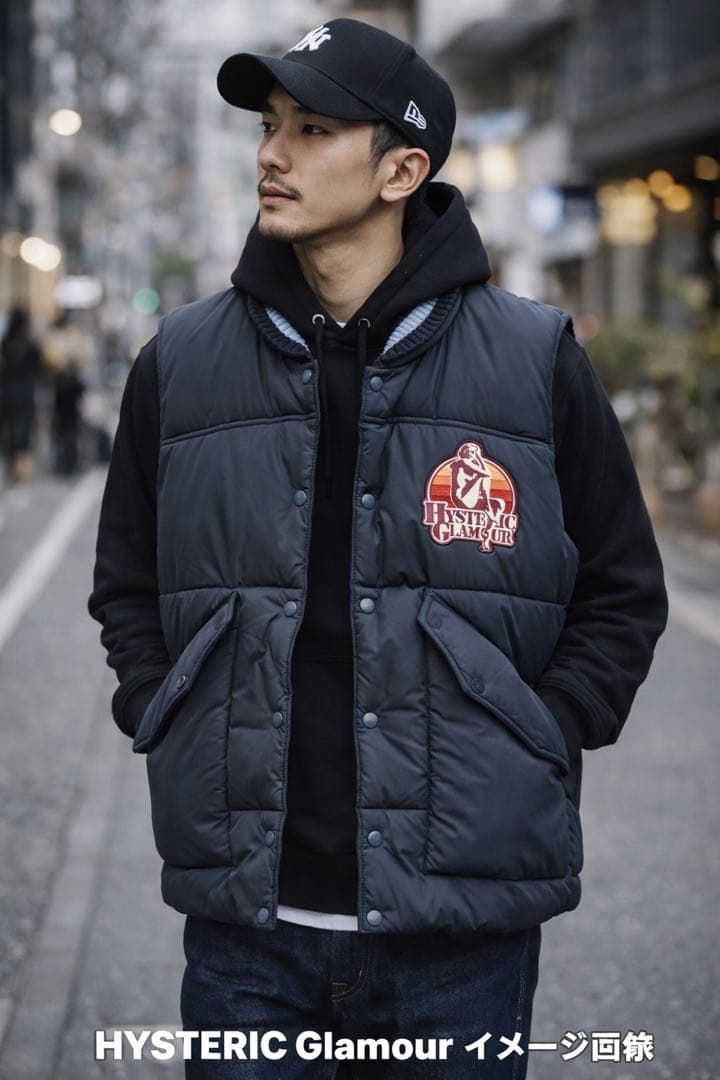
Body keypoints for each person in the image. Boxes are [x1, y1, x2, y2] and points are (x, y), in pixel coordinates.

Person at [88, 17, 668, 1078]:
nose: (273, 154)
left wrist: (543, 733)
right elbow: (126, 580)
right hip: (248, 924)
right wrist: (161, 706)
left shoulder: (534, 358)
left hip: (460, 929)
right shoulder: (180, 362)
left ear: (403, 170)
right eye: (269, 126)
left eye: (312, 130)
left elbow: (623, 587)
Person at [0, 305, 44, 486]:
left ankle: (13, 469)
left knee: (10, 434)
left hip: (7, 396)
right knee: (23, 435)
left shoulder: (6, 343)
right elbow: (40, 369)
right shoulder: (30, 345)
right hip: (24, 396)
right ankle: (20, 471)